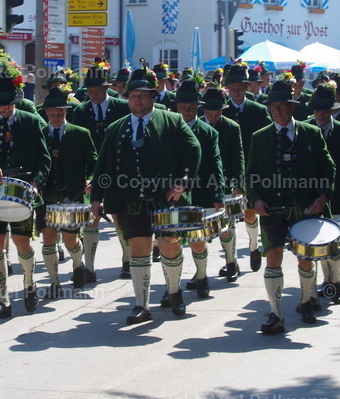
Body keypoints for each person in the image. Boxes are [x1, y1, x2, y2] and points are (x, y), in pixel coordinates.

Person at [90, 66, 201, 324]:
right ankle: (141, 305)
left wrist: (182, 183)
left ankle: (174, 292)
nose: (137, 101)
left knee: (169, 245)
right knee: (139, 249)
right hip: (130, 200)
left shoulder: (171, 120)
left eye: (142, 95)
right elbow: (102, 164)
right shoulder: (116, 128)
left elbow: (193, 149)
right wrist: (96, 197)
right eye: (132, 96)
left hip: (165, 198)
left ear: (152, 96)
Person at [247, 80, 335, 332]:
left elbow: (328, 168)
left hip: (306, 208)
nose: (277, 111)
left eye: (282, 106)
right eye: (273, 107)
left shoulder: (311, 133)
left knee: (305, 258)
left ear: (292, 107)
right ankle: (276, 314)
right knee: (273, 256)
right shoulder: (260, 137)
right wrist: (256, 199)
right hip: (272, 209)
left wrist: (323, 196)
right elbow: (251, 174)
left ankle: (307, 302)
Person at [0, 69, 50, 319]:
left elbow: (44, 158)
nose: (5, 109)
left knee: (22, 242)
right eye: (1, 105)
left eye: (9, 105)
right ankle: (2, 299)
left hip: (22, 191)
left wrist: (36, 183)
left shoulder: (30, 121)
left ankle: (29, 284)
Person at [70, 63, 131, 276]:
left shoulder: (122, 107)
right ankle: (89, 267)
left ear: (106, 88)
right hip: (91, 171)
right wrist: (85, 177)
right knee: (91, 218)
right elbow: (77, 147)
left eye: (98, 90)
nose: (94, 94)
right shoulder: (80, 111)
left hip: (118, 169)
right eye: (90, 90)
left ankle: (127, 260)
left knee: (119, 217)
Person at [304, 84, 340, 303]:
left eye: (326, 109)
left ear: (332, 110)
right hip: (313, 195)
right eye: (318, 109)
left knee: (339, 241)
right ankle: (329, 281)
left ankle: (338, 279)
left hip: (338, 196)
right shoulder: (304, 130)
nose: (321, 114)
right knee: (319, 241)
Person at [36, 86, 96, 293]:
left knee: (70, 239)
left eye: (60, 113)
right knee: (48, 238)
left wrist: (91, 179)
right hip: (45, 195)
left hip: (71, 194)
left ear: (66, 112)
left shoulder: (80, 134)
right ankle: (54, 283)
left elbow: (93, 162)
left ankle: (78, 265)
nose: (56, 117)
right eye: (52, 113)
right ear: (46, 113)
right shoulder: (39, 134)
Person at [172, 79, 224, 299]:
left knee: (197, 239)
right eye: (182, 108)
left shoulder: (208, 132)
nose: (186, 112)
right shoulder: (166, 128)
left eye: (191, 108)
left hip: (200, 191)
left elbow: (215, 164)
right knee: (171, 240)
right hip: (171, 193)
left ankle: (202, 276)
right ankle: (172, 286)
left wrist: (218, 194)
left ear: (197, 107)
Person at [223, 62, 272, 272]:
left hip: (252, 168)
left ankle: (253, 246)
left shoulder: (258, 110)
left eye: (240, 88)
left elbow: (269, 136)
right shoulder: (221, 109)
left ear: (246, 87)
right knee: (227, 216)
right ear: (227, 89)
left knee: (250, 212)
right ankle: (231, 260)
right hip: (227, 169)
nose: (236, 92)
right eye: (232, 88)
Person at [199, 87, 245, 281]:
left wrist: (239, 184)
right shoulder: (196, 126)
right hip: (200, 184)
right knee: (199, 230)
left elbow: (238, 157)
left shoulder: (231, 127)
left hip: (225, 182)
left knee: (227, 226)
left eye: (217, 114)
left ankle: (231, 262)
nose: (213, 117)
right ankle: (200, 271)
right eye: (210, 114)